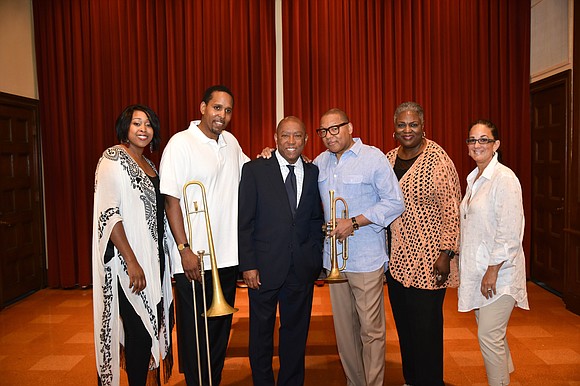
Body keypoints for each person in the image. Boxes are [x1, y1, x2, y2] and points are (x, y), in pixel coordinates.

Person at [160, 85, 249, 386]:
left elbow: (251, 173)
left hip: (227, 254)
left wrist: (267, 155)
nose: (222, 115)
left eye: (227, 110)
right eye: (216, 107)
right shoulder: (180, 143)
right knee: (195, 333)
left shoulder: (232, 143)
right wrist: (184, 249)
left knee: (220, 329)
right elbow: (171, 201)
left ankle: (214, 380)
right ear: (202, 107)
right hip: (194, 257)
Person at [315, 108, 405, 386]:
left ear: (350, 127)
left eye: (335, 128)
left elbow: (394, 203)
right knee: (345, 334)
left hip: (366, 259)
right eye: (323, 131)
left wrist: (353, 222)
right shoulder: (320, 162)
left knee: (371, 331)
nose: (329, 136)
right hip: (336, 262)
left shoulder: (373, 158)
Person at [238, 116, 324, 386]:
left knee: (296, 334)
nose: (291, 141)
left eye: (297, 136)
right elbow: (244, 221)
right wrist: (248, 265)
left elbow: (313, 219)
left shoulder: (312, 172)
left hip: (300, 269)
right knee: (261, 334)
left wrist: (314, 258)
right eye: (285, 135)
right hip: (263, 269)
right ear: (275, 139)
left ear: (306, 140)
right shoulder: (254, 170)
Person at [92, 104, 174, 386]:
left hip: (154, 262)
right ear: (125, 127)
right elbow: (108, 213)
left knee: (149, 332)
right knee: (138, 335)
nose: (143, 129)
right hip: (129, 265)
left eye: (149, 124)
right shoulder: (113, 158)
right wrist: (131, 261)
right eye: (137, 123)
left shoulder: (150, 164)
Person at [385, 101, 461, 386]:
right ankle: (411, 379)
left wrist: (446, 253)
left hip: (430, 260)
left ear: (423, 126)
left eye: (413, 124)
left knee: (426, 331)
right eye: (402, 125)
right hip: (397, 261)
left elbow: (451, 210)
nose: (408, 130)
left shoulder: (438, 159)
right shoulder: (389, 157)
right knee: (404, 328)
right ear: (394, 128)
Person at [458, 119, 529, 386]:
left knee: (489, 336)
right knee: (492, 334)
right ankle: (505, 373)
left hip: (499, 274)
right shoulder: (475, 178)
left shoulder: (505, 178)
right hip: (479, 272)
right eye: (472, 140)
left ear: (496, 144)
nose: (477, 145)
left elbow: (510, 231)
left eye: (484, 139)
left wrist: (493, 270)